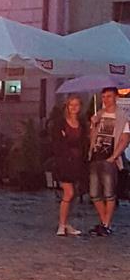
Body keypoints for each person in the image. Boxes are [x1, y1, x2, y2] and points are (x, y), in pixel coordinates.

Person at [88, 87, 130, 236]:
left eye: (109, 96)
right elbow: (92, 137)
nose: (106, 99)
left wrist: (114, 156)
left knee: (109, 193)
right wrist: (93, 124)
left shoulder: (122, 117)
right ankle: (104, 222)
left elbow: (125, 138)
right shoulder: (99, 114)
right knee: (94, 193)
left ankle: (106, 224)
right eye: (104, 97)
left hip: (110, 158)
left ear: (116, 98)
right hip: (95, 156)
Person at [51, 95, 88, 236]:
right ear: (67, 106)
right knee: (69, 192)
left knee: (74, 194)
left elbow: (85, 141)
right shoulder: (60, 123)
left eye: (76, 105)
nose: (73, 107)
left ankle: (67, 222)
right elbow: (56, 143)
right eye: (71, 105)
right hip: (64, 162)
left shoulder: (82, 124)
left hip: (78, 162)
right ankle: (61, 224)